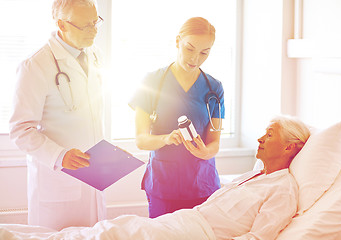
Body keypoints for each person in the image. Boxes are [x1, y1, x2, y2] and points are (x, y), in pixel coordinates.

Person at [1, 115, 311, 240]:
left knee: (112, 234)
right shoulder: (254, 176)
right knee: (113, 230)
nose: (259, 138)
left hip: (196, 234)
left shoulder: (283, 190)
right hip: (185, 222)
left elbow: (257, 238)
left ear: (289, 146)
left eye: (269, 135)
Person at [9, 0, 106, 230]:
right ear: (62, 25)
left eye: (95, 22)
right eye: (85, 26)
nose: (93, 31)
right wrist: (60, 156)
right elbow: (20, 130)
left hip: (94, 176)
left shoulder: (94, 55)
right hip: (58, 184)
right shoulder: (35, 66)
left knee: (96, 234)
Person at [129, 17, 225, 218]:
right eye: (189, 49)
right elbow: (141, 140)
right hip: (164, 186)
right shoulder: (152, 81)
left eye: (204, 52)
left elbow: (215, 142)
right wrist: (166, 138)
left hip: (203, 185)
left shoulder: (214, 88)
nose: (195, 59)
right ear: (177, 41)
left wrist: (205, 152)